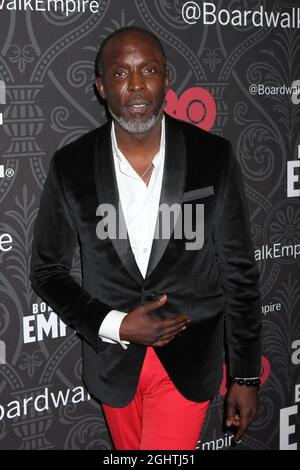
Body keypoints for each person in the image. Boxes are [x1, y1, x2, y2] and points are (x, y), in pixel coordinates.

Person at [29, 26, 262, 451]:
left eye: (149, 70)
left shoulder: (213, 157)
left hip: (188, 363)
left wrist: (245, 376)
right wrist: (116, 324)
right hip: (113, 362)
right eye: (120, 74)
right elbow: (47, 271)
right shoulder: (72, 165)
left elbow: (239, 274)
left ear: (166, 78)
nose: (136, 85)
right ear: (101, 87)